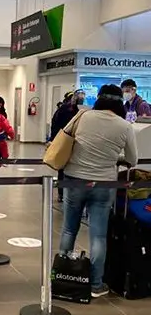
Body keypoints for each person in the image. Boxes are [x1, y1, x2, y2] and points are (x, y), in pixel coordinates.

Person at [58, 84, 138, 298]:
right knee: (98, 236)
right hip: (104, 184)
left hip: (75, 179)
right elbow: (133, 159)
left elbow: (65, 140)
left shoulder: (83, 116)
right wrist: (116, 159)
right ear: (120, 101)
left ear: (99, 99)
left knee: (69, 230)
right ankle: (95, 284)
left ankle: (62, 273)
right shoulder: (125, 126)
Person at [49, 89, 86, 202]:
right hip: (66, 140)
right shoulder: (66, 110)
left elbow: (54, 124)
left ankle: (64, 193)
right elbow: (56, 124)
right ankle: (62, 192)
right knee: (63, 168)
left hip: (69, 140)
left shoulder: (81, 110)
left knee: (65, 168)